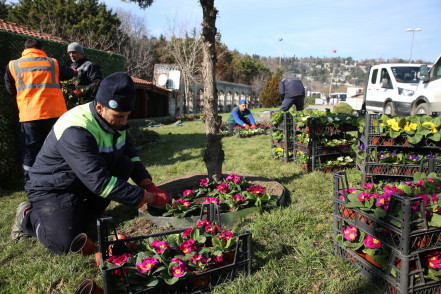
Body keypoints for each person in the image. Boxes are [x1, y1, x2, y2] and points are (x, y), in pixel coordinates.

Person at [11, 72, 171, 255]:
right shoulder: (76, 129)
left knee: (125, 164)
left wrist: (147, 183)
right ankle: (28, 216)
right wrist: (149, 198)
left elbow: (132, 157)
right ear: (100, 107)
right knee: (66, 244)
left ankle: (87, 213)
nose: (124, 122)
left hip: (82, 180)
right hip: (53, 187)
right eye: (119, 116)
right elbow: (100, 182)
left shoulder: (116, 123)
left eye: (127, 116)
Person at [4, 38, 77, 185]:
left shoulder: (13, 65)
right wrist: (75, 69)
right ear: (42, 48)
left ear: (24, 50)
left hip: (29, 114)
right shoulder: (52, 63)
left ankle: (31, 184)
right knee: (57, 149)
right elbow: (70, 73)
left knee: (31, 152)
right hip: (54, 115)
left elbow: (10, 88)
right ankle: (60, 181)